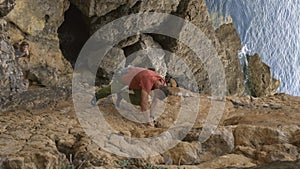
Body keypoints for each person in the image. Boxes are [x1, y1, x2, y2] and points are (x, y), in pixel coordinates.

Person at [93, 66, 169, 127]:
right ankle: (97, 96)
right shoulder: (149, 81)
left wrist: (152, 116)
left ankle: (122, 94)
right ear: (157, 88)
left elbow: (155, 101)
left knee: (138, 100)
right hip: (126, 75)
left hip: (138, 83)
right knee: (112, 89)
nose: (154, 96)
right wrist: (148, 121)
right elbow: (144, 104)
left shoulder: (162, 84)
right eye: (156, 94)